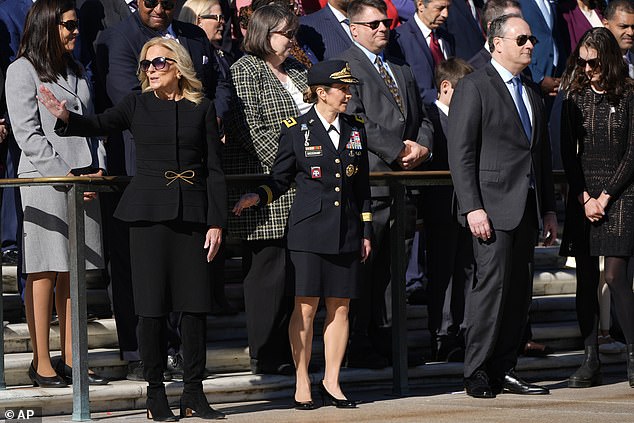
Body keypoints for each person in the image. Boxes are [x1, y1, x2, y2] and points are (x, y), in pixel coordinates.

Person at [39, 37, 227, 420]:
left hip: (191, 217)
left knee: (194, 309)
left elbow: (215, 171)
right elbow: (97, 124)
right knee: (151, 310)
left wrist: (216, 221)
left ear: (178, 65)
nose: (151, 70)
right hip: (145, 216)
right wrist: (65, 117)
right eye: (145, 64)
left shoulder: (202, 108)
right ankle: (155, 392)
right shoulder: (135, 104)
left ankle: (193, 392)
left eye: (158, 62)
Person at [234, 59, 371, 409]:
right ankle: (302, 379)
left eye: (348, 87)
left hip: (347, 229)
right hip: (309, 230)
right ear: (321, 92)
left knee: (340, 308)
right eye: (342, 88)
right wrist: (259, 195)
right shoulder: (297, 129)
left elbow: (362, 186)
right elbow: (280, 178)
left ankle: (332, 380)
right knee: (306, 308)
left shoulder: (356, 128)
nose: (347, 93)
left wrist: (365, 230)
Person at [447, 14, 557, 398]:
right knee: (490, 290)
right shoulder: (475, 86)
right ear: (497, 43)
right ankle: (476, 370)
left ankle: (505, 368)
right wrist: (472, 207)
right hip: (490, 209)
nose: (530, 45)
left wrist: (548, 209)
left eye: (532, 39)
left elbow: (537, 155)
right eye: (522, 38)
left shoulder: (530, 90)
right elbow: (461, 153)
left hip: (526, 205)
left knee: (518, 293)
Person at [4, 0, 108, 388]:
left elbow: (91, 123)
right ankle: (41, 361)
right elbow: (26, 134)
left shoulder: (76, 69)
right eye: (68, 25)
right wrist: (63, 175)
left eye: (75, 24)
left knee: (73, 272)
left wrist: (96, 168)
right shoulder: (21, 70)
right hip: (44, 180)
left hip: (83, 179)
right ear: (48, 26)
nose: (75, 31)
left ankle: (73, 358)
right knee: (44, 269)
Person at [337, 0, 433, 369]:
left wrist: (421, 147)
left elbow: (424, 114)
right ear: (354, 28)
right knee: (367, 265)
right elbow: (354, 116)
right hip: (372, 182)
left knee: (396, 267)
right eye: (374, 23)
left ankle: (392, 342)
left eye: (386, 23)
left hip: (403, 184)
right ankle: (359, 343)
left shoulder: (400, 67)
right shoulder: (347, 66)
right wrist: (396, 150)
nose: (382, 29)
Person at [224, 3, 309, 376]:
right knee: (268, 273)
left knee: (295, 275)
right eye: (285, 34)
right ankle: (265, 350)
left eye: (294, 33)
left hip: (305, 187)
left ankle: (293, 349)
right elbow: (250, 130)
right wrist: (295, 160)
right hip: (266, 185)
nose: (292, 40)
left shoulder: (298, 71)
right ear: (263, 33)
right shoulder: (245, 71)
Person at [558, 27, 634, 389]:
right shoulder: (574, 96)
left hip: (621, 195)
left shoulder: (631, 94)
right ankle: (591, 359)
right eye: (582, 62)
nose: (587, 69)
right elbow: (567, 152)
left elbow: (633, 152)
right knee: (585, 280)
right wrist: (584, 197)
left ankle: (633, 355)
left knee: (617, 277)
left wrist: (605, 196)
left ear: (609, 59)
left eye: (594, 62)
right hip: (583, 195)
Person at [420, 57, 473, 361]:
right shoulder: (430, 117)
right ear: (445, 88)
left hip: (469, 209)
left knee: (466, 271)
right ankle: (442, 335)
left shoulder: (467, 118)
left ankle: (465, 331)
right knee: (443, 273)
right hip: (441, 209)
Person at [391, 0, 455, 105]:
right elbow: (403, 86)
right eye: (439, 8)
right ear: (420, 5)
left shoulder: (447, 38)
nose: (445, 14)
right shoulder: (399, 38)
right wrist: (438, 97)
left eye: (448, 8)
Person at [602, 0, 634, 78]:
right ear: (606, 24)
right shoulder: (594, 63)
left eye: (633, 27)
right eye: (623, 26)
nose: (631, 32)